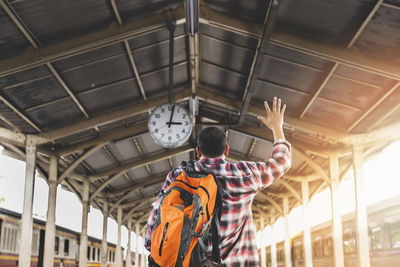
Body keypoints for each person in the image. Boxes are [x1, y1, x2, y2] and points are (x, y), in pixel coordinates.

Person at [145, 97, 292, 266]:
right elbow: (282, 162)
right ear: (227, 149)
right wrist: (277, 128)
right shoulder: (243, 174)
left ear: (197, 151)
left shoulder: (179, 174)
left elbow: (157, 217)